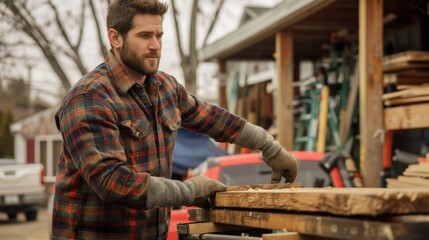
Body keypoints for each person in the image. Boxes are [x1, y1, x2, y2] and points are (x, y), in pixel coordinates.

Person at [52, 0, 300, 239]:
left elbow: (211, 118)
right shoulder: (89, 97)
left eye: (159, 35)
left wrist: (270, 146)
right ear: (115, 38)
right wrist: (190, 191)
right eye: (144, 36)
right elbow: (112, 181)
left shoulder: (165, 87)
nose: (155, 45)